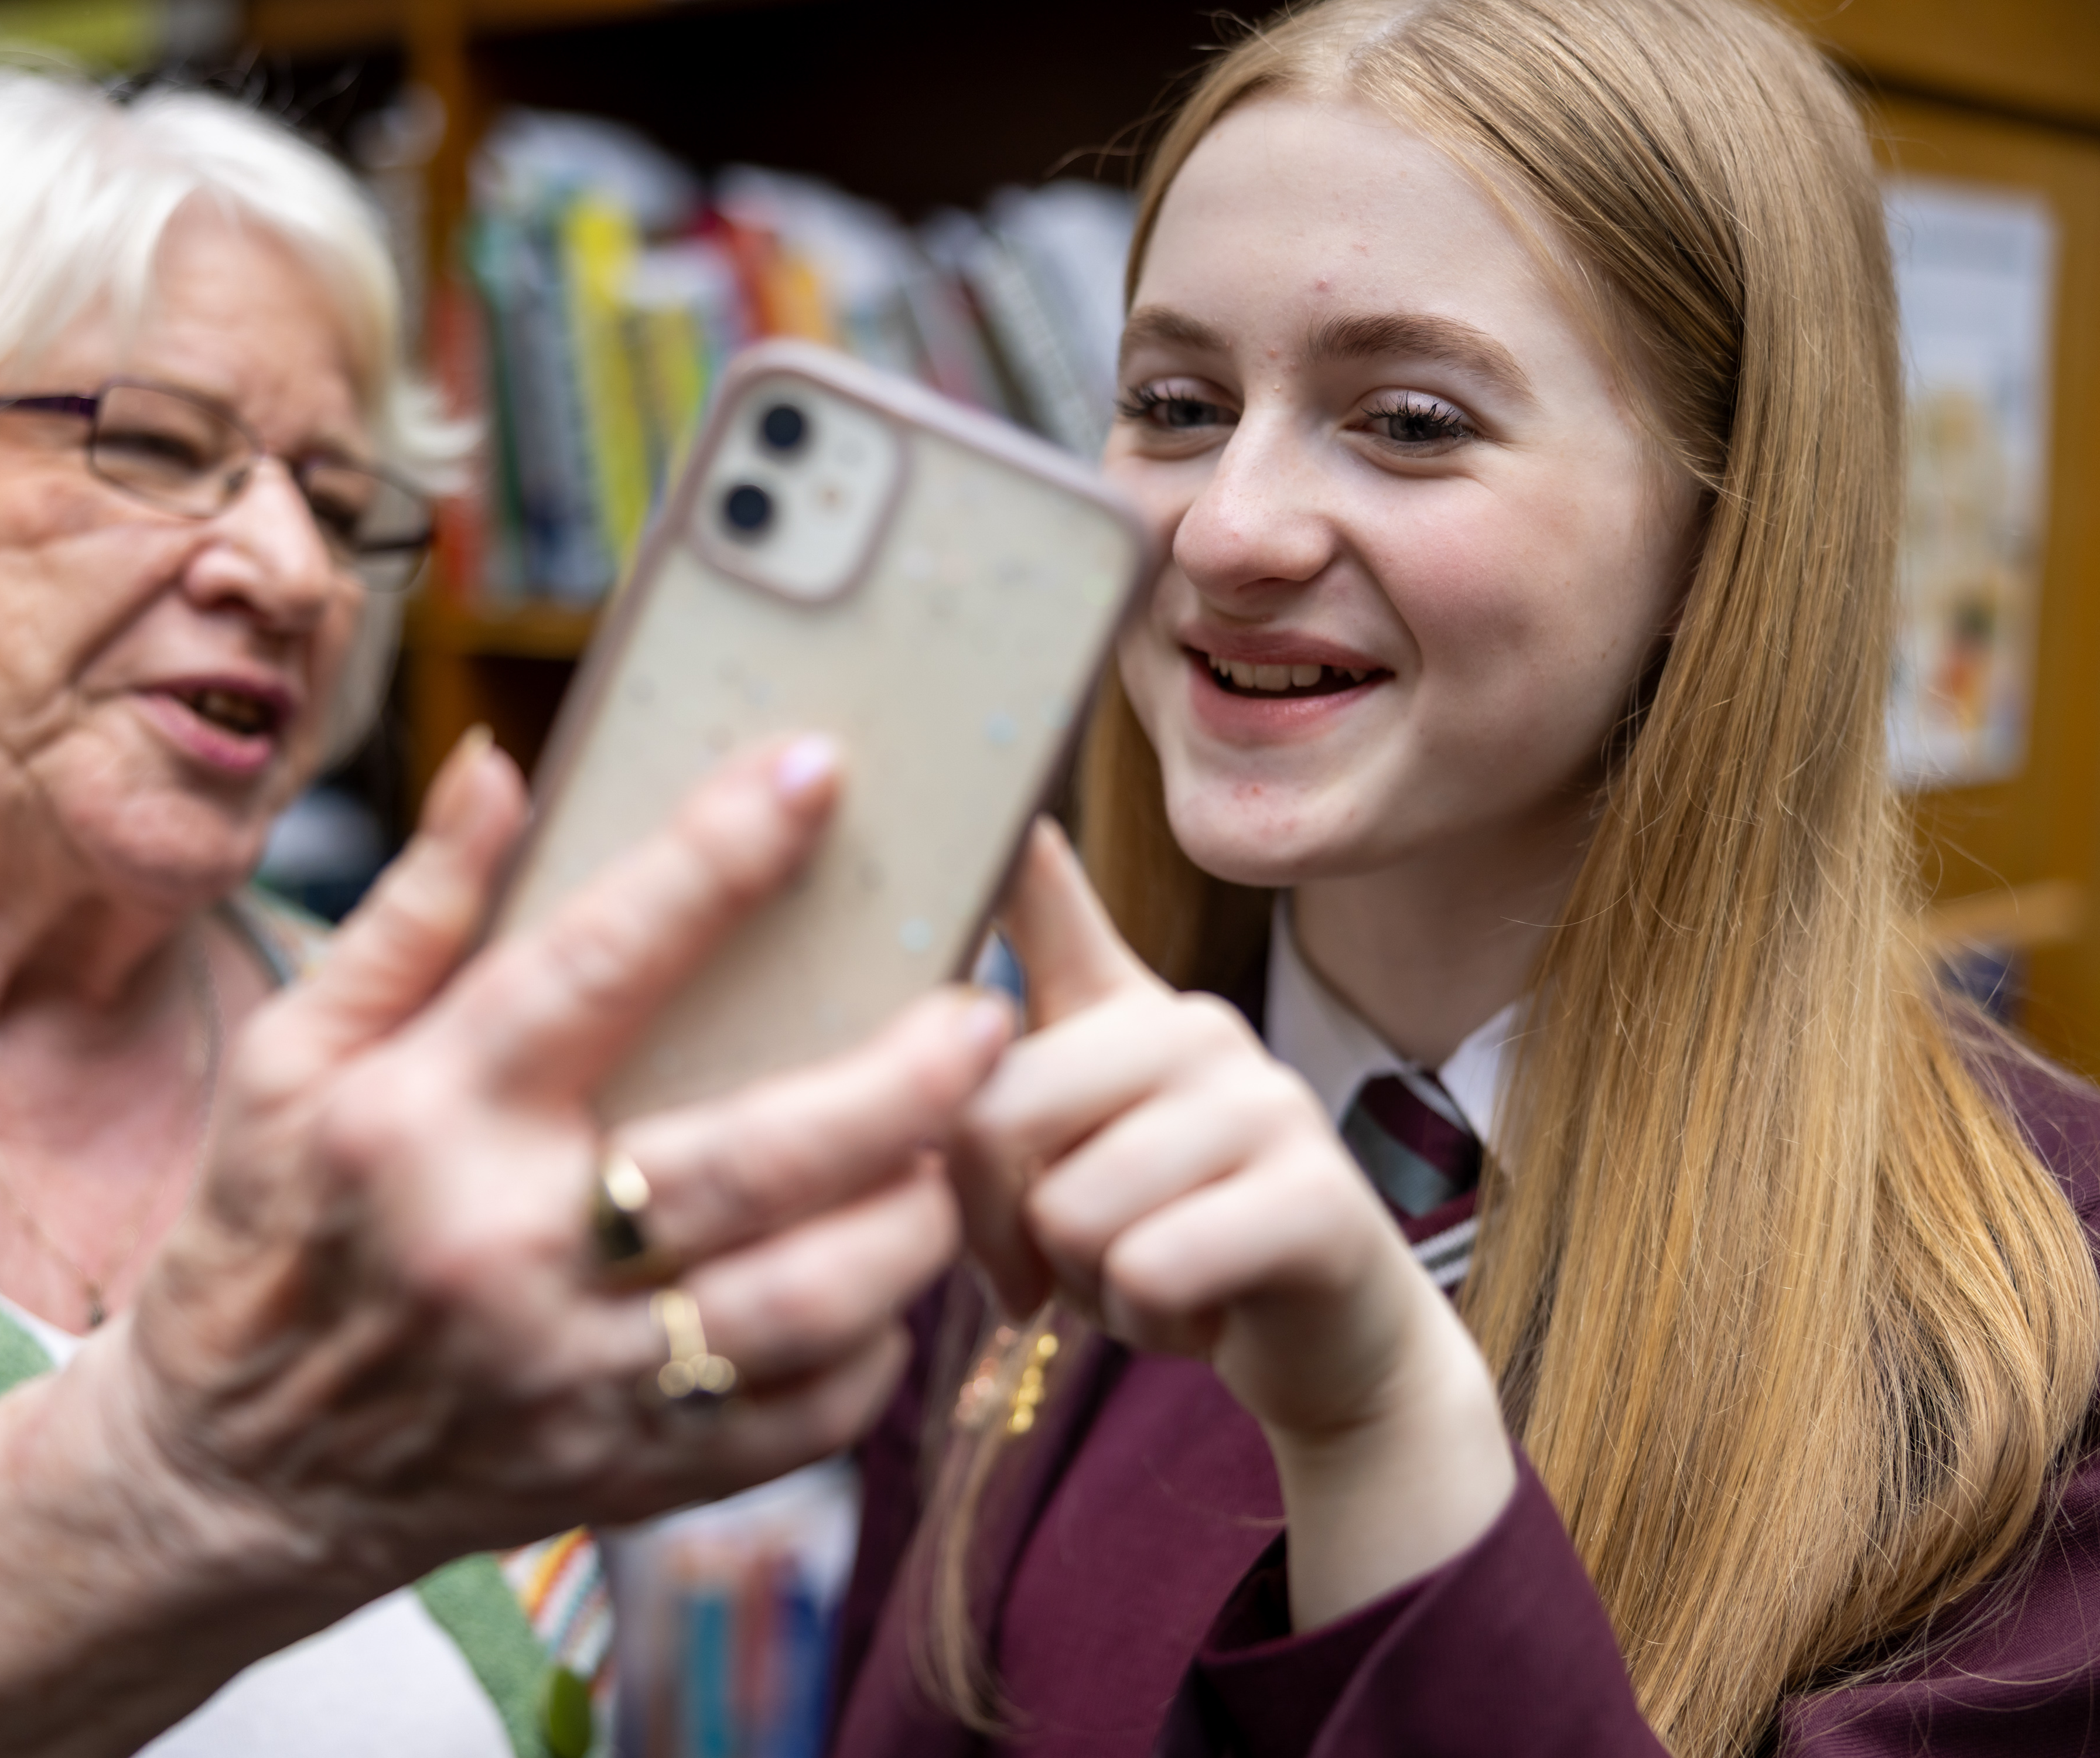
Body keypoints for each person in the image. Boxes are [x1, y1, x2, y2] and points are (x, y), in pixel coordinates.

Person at [0, 70, 1014, 1757]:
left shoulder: (417, 1043)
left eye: (342, 506)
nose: (289, 571)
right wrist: (190, 1483)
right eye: (155, 445)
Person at [828, 1, 2100, 1754]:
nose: (1226, 530)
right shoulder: (1012, 1192)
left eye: (1409, 421)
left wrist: (1380, 1435)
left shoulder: (2047, 1325)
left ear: (1722, 529)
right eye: (1174, 404)